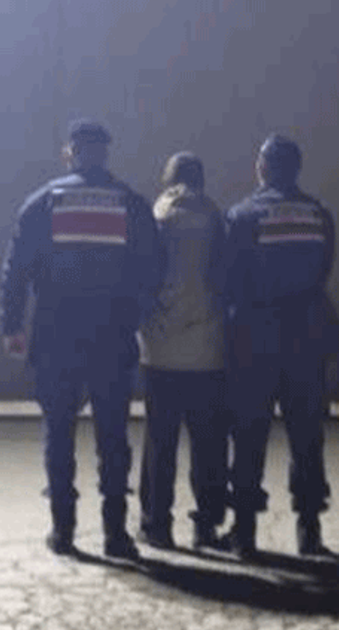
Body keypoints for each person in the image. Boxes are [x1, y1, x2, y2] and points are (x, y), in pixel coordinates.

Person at [0, 118, 162, 560]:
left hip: (56, 334)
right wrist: (135, 315)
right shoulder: (131, 204)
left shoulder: (42, 202)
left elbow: (16, 269)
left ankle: (63, 530)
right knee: (113, 436)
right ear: (104, 154)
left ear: (69, 153)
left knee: (59, 432)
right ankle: (116, 534)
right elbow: (153, 268)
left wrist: (12, 325)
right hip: (112, 336)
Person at [221, 134, 339, 558]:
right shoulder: (319, 215)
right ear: (297, 168)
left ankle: (245, 533)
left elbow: (230, 279)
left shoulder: (243, 216)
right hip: (306, 339)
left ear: (261, 167)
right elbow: (324, 269)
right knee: (307, 436)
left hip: (255, 340)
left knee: (249, 435)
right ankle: (309, 531)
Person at [136, 152, 235, 552]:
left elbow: (140, 279)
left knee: (160, 442)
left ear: (169, 180)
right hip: (208, 350)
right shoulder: (217, 220)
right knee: (208, 444)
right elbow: (228, 280)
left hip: (159, 351)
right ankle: (206, 527)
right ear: (201, 181)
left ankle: (156, 525)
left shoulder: (153, 218)